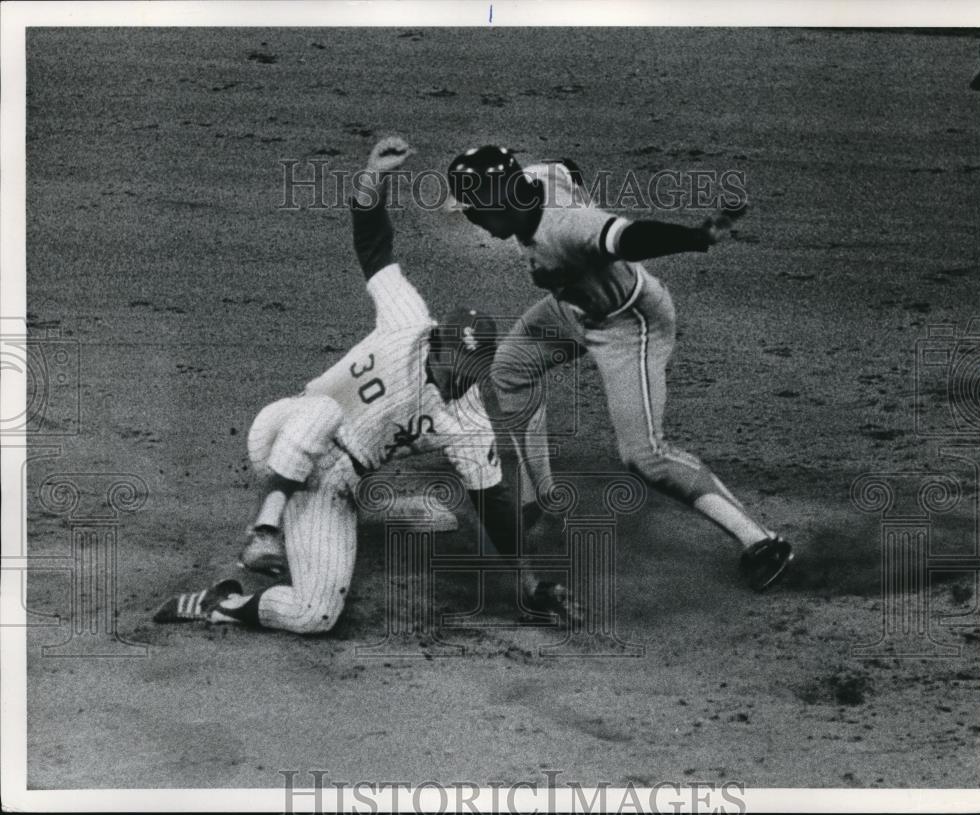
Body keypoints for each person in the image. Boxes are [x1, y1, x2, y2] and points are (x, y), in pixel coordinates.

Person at [154, 138, 569, 632]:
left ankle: (221, 604)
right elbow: (373, 245)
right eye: (445, 362)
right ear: (436, 342)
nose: (447, 377)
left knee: (316, 615)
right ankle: (265, 527)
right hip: (282, 433)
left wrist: (529, 583)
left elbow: (495, 506)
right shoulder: (408, 322)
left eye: (460, 374)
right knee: (324, 412)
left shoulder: (470, 420)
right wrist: (374, 176)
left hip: (333, 485)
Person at [447, 146, 793, 590]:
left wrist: (697, 237)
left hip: (629, 325)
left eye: (474, 212)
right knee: (511, 368)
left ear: (498, 201)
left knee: (644, 457)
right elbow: (566, 166)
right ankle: (543, 498)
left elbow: (630, 238)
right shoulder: (534, 179)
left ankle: (762, 541)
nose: (473, 222)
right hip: (572, 310)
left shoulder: (569, 227)